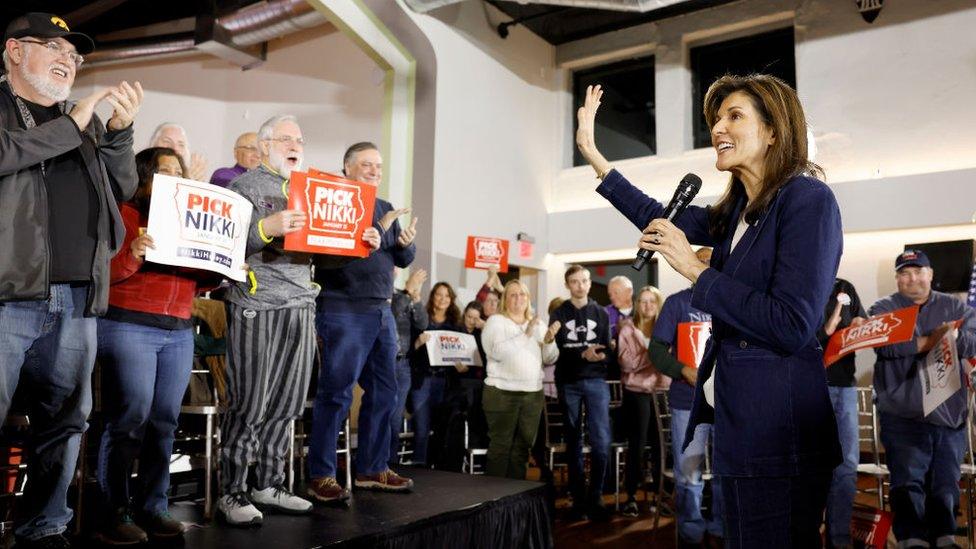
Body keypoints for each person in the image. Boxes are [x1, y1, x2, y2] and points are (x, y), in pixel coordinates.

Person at [577, 74, 843, 546]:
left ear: (774, 131)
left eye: (734, 116)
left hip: (780, 435)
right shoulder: (736, 214)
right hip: (739, 426)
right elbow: (656, 213)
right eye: (716, 118)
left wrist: (696, 271)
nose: (718, 127)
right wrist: (595, 157)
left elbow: (792, 323)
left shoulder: (807, 199)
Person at [0, 12, 142, 547]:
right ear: (15, 51)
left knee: (65, 423)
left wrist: (120, 135)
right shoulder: (20, 111)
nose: (69, 60)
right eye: (55, 48)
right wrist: (73, 125)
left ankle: (45, 527)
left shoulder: (81, 121)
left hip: (77, 296)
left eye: (75, 55)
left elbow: (123, 187)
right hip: (9, 294)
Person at [217, 116, 381, 526]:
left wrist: (358, 243)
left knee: (288, 404)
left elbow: (324, 253)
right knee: (250, 402)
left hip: (301, 306)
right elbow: (223, 243)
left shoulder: (311, 188)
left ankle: (269, 484)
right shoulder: (245, 187)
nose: (296, 145)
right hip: (258, 304)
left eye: (300, 140)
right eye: (287, 139)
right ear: (265, 143)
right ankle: (232, 491)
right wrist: (263, 228)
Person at [96, 148, 218, 544]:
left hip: (179, 328)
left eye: (178, 171)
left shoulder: (190, 218)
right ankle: (114, 510)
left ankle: (154, 506)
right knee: (129, 418)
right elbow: (103, 273)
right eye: (164, 171)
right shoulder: (124, 214)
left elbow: (201, 279)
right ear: (143, 177)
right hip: (129, 324)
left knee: (165, 421)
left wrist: (220, 266)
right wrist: (132, 255)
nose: (173, 177)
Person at [308, 142, 418, 502]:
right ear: (347, 168)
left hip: (381, 310)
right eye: (367, 164)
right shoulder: (334, 199)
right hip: (342, 307)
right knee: (337, 394)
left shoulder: (385, 208)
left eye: (379, 165)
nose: (374, 170)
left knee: (387, 391)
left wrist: (404, 242)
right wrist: (363, 238)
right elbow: (322, 253)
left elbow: (401, 258)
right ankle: (321, 473)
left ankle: (372, 467)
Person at [870, 250, 976, 548]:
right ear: (897, 278)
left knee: (945, 482)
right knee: (907, 481)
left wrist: (955, 338)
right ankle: (911, 539)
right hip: (902, 414)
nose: (912, 278)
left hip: (948, 414)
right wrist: (937, 339)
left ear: (930, 274)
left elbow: (973, 343)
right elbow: (888, 347)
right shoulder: (883, 307)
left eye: (919, 271)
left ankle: (945, 536)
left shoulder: (955, 306)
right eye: (904, 273)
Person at [647, 247, 725, 548]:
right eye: (700, 260)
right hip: (688, 403)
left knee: (725, 472)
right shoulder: (678, 303)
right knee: (689, 474)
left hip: (727, 402)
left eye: (711, 261)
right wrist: (682, 370)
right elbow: (656, 350)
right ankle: (691, 534)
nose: (705, 266)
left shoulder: (730, 301)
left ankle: (720, 529)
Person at [549, 265, 613, 521]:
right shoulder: (559, 312)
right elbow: (555, 349)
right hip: (568, 382)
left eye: (584, 280)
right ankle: (577, 497)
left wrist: (598, 353)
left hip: (596, 381)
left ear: (589, 283)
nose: (580, 285)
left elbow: (607, 349)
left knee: (601, 441)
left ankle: (595, 495)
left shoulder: (601, 312)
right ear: (567, 285)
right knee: (573, 440)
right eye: (575, 281)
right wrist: (581, 353)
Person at [481, 280, 559, 479]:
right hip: (501, 392)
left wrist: (549, 341)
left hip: (532, 394)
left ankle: (515, 502)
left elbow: (550, 358)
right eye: (513, 295)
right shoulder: (496, 322)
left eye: (522, 294)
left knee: (522, 449)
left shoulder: (537, 323)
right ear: (505, 299)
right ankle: (494, 503)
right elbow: (496, 352)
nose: (519, 299)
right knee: (500, 447)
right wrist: (526, 334)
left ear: (528, 299)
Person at [817, 278, 867, 549]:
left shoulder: (846, 286)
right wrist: (831, 324)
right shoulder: (798, 283)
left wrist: (861, 326)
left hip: (845, 386)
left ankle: (840, 541)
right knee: (811, 468)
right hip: (809, 389)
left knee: (846, 467)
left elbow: (863, 323)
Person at [616, 285, 668, 518]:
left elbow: (672, 361)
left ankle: (660, 495)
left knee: (661, 446)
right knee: (636, 446)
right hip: (636, 392)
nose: (647, 306)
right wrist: (654, 355)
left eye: (652, 301)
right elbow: (626, 364)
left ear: (658, 304)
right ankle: (631, 497)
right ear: (637, 305)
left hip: (662, 391)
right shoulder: (627, 329)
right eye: (643, 301)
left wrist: (646, 357)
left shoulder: (666, 328)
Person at [409, 282, 463, 466]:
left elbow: (461, 354)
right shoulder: (421, 319)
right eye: (439, 295)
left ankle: (437, 470)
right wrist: (418, 342)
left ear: (451, 300)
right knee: (422, 429)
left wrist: (461, 364)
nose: (443, 299)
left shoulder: (456, 325)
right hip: (422, 381)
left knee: (441, 429)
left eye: (447, 296)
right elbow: (410, 351)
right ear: (432, 297)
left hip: (445, 382)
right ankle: (419, 467)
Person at [389, 268, 428, 467]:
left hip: (404, 364)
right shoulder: (384, 294)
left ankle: (391, 464)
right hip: (384, 363)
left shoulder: (401, 294)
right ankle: (373, 464)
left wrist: (417, 298)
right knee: (382, 416)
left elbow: (422, 323)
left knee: (395, 418)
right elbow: (393, 313)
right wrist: (407, 292)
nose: (395, 269)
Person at [606, 275, 634, 339]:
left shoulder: (642, 310)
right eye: (610, 294)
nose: (612, 297)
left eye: (616, 293)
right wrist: (616, 329)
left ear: (629, 291)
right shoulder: (604, 313)